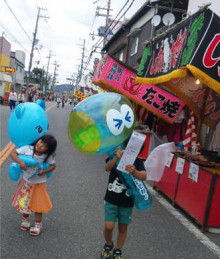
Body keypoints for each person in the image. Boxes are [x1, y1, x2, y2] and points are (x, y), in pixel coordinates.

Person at [101, 146, 147, 259]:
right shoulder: (116, 155)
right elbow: (107, 168)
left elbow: (144, 176)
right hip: (111, 198)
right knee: (108, 226)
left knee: (123, 228)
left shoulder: (137, 161)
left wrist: (134, 171)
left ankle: (118, 250)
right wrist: (116, 158)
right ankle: (108, 244)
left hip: (127, 201)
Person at [10, 134, 57, 236]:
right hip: (26, 182)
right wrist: (20, 162)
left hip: (39, 184)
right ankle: (25, 220)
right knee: (24, 202)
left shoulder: (46, 157)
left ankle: (38, 224)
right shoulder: (27, 149)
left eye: (44, 146)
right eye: (40, 141)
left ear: (47, 150)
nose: (40, 145)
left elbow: (53, 166)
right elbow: (13, 153)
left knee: (38, 204)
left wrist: (44, 171)